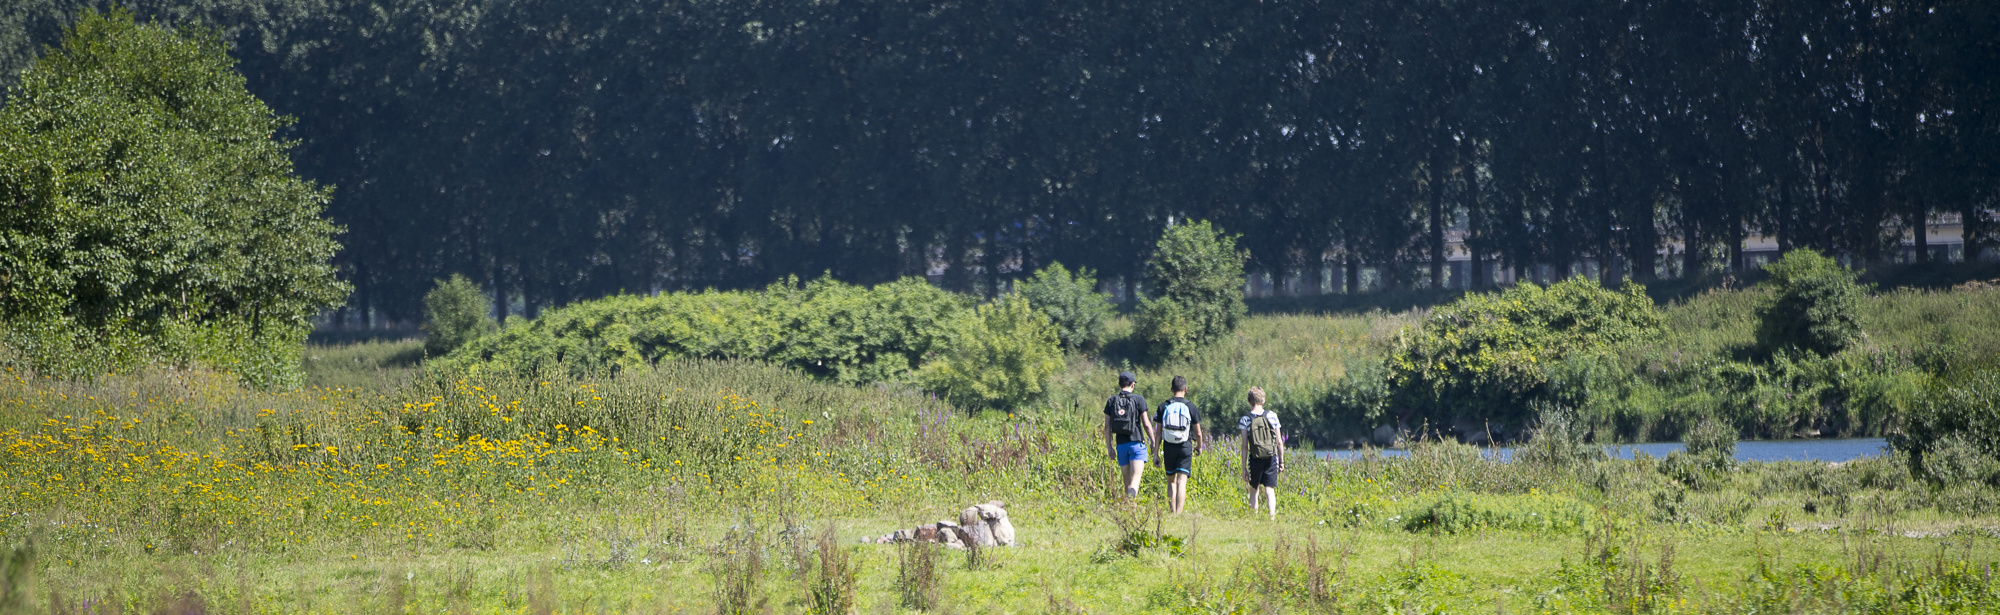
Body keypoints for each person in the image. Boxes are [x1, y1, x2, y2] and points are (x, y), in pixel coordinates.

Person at [1152, 375, 1205, 514]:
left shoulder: (1163, 406)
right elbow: (1198, 433)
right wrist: (1199, 447)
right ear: (1186, 389)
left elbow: (1158, 433)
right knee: (1182, 480)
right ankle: (1178, 513)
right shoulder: (1191, 407)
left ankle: (1172, 510)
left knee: (1171, 481)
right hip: (1185, 446)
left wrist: (1156, 453)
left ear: (1171, 389)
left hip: (1168, 446)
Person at [1103, 371, 1154, 498]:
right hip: (1137, 444)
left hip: (1121, 446)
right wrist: (1153, 442)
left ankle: (1130, 511)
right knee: (1134, 482)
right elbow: (1147, 424)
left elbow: (1107, 427)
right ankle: (1131, 504)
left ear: (1119, 384)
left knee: (1127, 484)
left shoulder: (1111, 401)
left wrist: (1109, 447)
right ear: (1132, 384)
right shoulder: (1138, 400)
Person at [1238, 386, 1283, 520]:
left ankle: (1254, 518)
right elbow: (1279, 442)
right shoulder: (1272, 416)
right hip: (1270, 456)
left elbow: (1245, 445)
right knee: (1270, 489)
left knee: (1254, 489)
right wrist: (1281, 461)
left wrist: (1244, 467)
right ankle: (1272, 517)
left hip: (1255, 457)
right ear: (1263, 401)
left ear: (1249, 401)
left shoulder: (1245, 419)